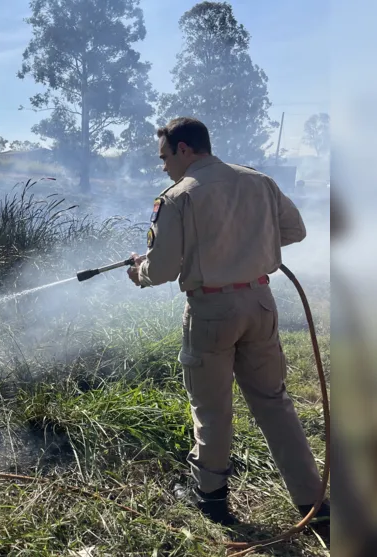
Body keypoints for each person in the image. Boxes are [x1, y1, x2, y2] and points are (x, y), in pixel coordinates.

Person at [126, 116, 330, 528]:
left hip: (211, 311)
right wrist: (247, 244)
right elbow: (295, 229)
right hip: (260, 302)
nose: (163, 166)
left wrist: (139, 271)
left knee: (212, 408)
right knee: (274, 403)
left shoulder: (177, 196)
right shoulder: (258, 181)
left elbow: (162, 269)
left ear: (184, 149)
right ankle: (314, 504)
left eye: (164, 157)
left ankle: (211, 498)